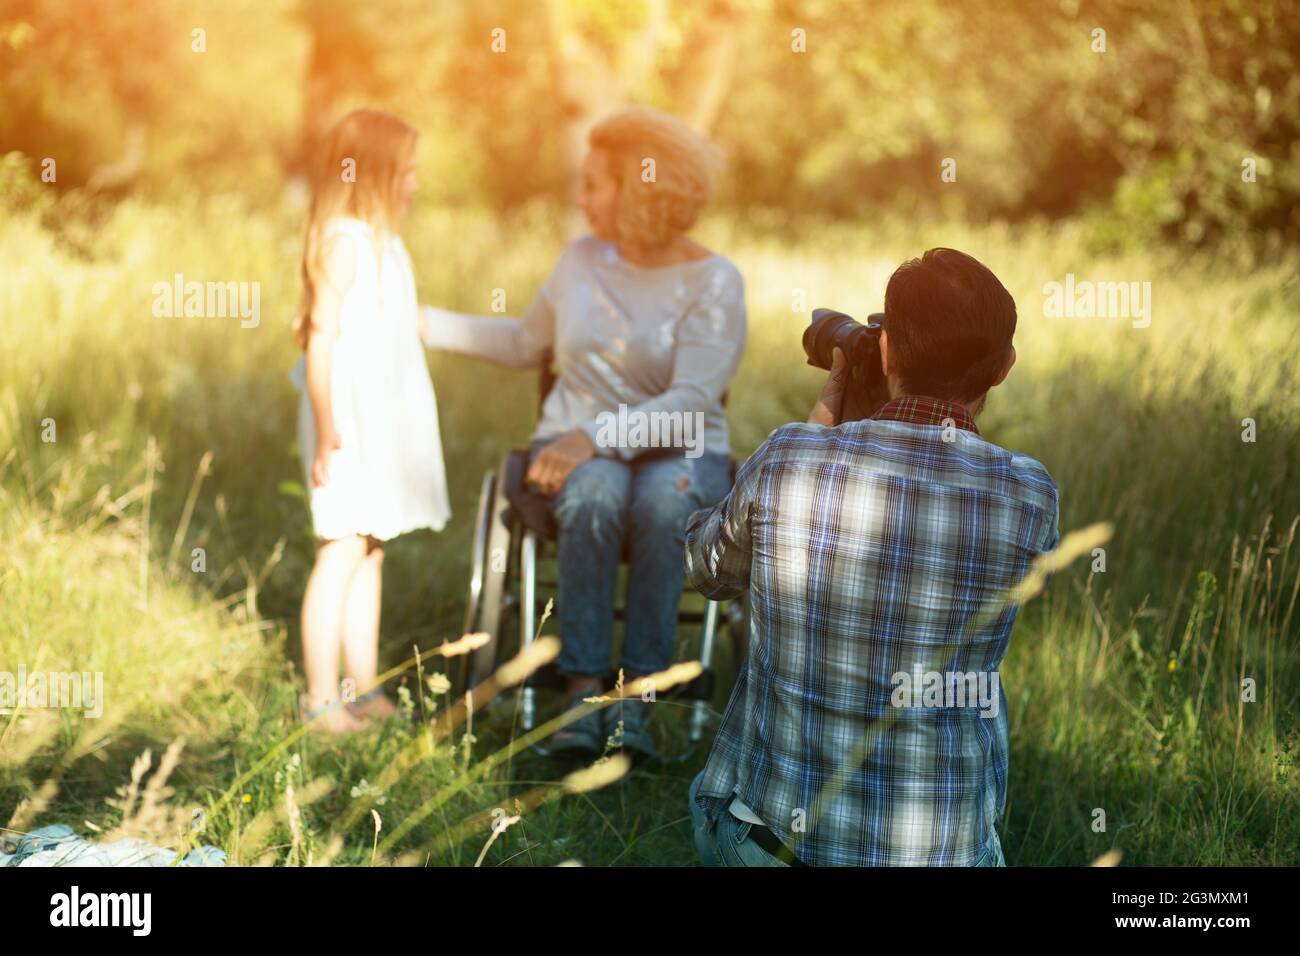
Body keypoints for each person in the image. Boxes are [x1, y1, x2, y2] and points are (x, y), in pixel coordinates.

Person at [685, 248, 1060, 865]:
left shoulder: (789, 459)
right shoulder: (1029, 493)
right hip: (941, 853)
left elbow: (706, 570)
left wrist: (815, 435)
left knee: (716, 791)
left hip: (779, 847)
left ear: (885, 352)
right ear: (1003, 368)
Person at [421, 107, 746, 759]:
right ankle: (582, 690)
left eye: (594, 184)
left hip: (682, 450)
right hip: (576, 448)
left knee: (662, 502)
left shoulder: (713, 282)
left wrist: (593, 435)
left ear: (644, 192)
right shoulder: (579, 262)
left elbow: (690, 400)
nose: (580, 198)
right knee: (593, 493)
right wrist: (419, 320)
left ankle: (637, 701)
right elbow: (520, 342)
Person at [291, 109, 451, 734]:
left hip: (382, 421)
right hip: (347, 421)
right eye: (406, 172)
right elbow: (319, 339)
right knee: (341, 547)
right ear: (375, 175)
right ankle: (320, 698)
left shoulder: (389, 246)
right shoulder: (345, 244)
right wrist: (328, 423)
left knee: (372, 547)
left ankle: (362, 687)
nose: (414, 184)